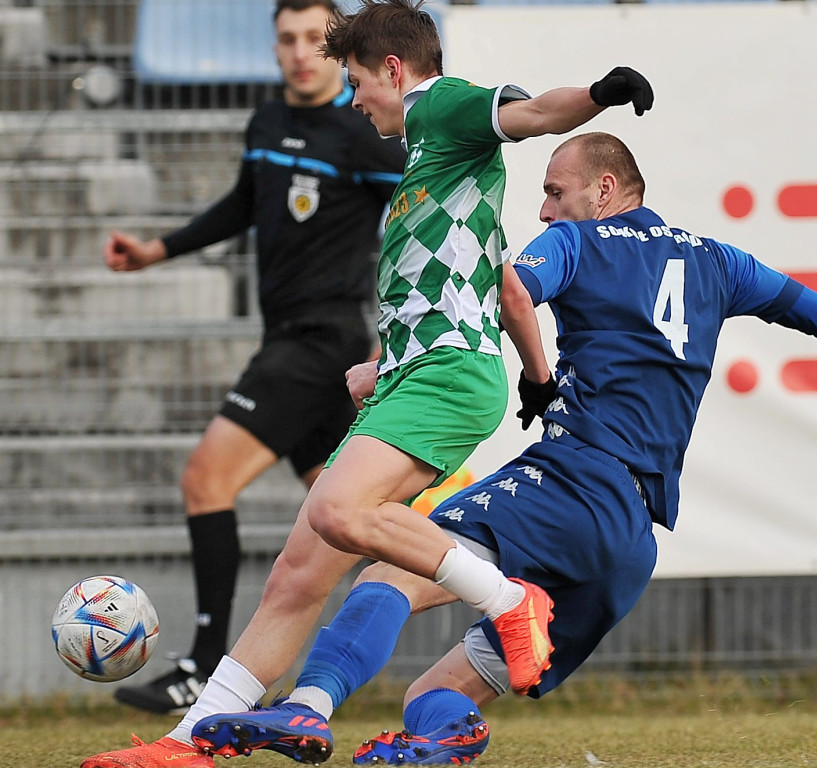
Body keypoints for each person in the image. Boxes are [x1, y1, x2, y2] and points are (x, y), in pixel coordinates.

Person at [179, 132, 817, 765]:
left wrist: (460, 373)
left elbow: (509, 293)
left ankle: (308, 706)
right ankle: (442, 740)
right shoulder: (719, 263)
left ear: (606, 190)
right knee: (439, 691)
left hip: (568, 482)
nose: (543, 210)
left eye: (553, 191)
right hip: (632, 542)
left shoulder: (581, 243)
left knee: (391, 563)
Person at [80, 0, 655, 764]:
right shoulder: (423, 157)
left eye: (356, 82)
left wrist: (600, 93)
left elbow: (536, 114)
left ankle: (511, 600)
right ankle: (187, 743)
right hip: (412, 375)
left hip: (448, 378)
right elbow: (477, 280)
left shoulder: (443, 107)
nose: (352, 99)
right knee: (296, 572)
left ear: (393, 70)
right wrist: (387, 363)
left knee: (338, 509)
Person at [103, 0, 407, 717]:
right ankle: (478, 567)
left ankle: (202, 670)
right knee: (345, 524)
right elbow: (241, 205)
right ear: (273, 48)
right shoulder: (267, 123)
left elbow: (419, 218)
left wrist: (393, 331)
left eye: (315, 40)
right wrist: (156, 251)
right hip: (290, 343)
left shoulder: (362, 135)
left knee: (205, 479)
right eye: (288, 39)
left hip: (321, 343)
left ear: (339, 52)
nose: (302, 52)